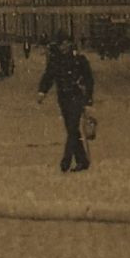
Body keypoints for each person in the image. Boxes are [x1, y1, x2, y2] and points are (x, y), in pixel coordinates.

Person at [37, 40, 95, 172]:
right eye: (60, 44)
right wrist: (42, 91)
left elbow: (89, 79)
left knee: (73, 126)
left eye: (65, 43)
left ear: (70, 44)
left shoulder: (79, 60)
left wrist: (88, 99)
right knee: (71, 130)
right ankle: (82, 160)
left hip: (77, 96)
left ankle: (66, 160)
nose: (63, 47)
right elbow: (48, 77)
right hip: (63, 99)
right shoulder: (56, 60)